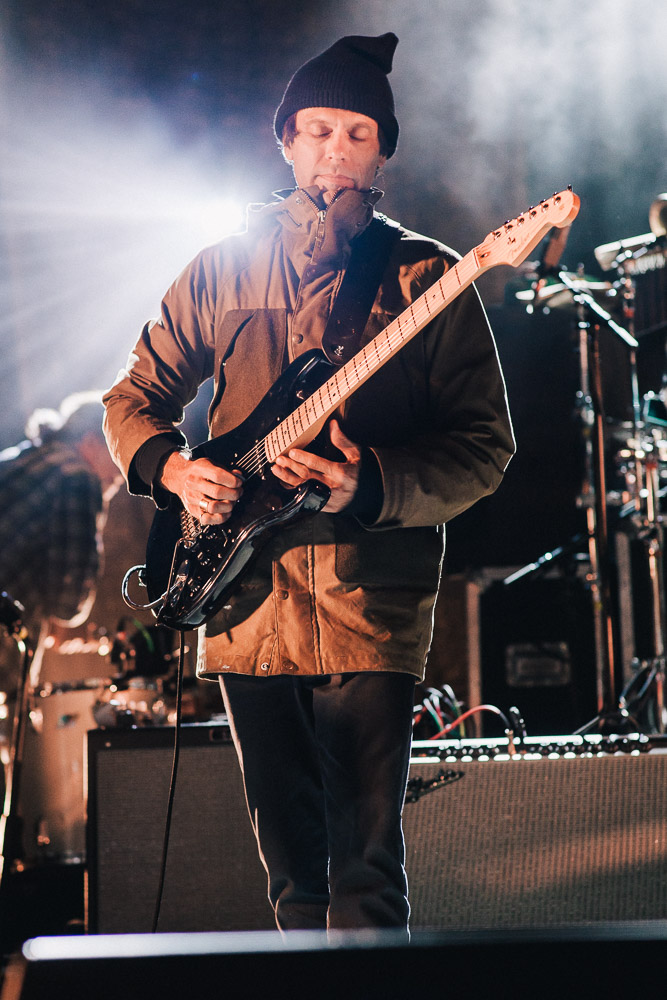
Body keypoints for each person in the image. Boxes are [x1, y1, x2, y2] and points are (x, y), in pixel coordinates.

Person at [103, 32, 515, 932]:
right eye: (318, 129)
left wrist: (366, 481)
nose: (336, 149)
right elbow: (133, 396)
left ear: (382, 154)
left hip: (371, 601)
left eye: (358, 133)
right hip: (241, 596)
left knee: (366, 873)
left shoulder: (427, 278)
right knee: (292, 877)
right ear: (285, 140)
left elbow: (483, 448)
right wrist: (176, 472)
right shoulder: (222, 265)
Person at [0, 390, 123, 654]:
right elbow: (68, 602)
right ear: (91, 442)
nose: (123, 473)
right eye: (118, 452)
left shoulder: (23, 458)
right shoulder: (77, 476)